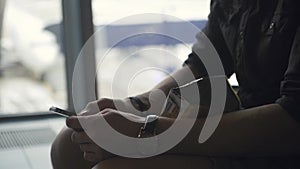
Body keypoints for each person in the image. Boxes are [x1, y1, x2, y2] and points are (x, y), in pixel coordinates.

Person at [51, 0, 300, 168]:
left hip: (275, 142)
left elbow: (291, 122)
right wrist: (134, 106)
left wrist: (148, 132)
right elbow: (203, 64)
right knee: (66, 146)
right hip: (247, 121)